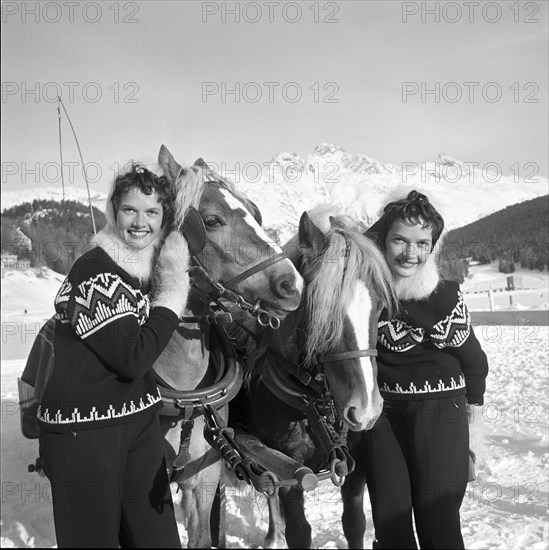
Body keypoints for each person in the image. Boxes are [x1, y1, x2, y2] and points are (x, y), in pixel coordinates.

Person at [37, 164, 192, 548]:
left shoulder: (137, 271)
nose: (141, 223)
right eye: (130, 210)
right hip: (83, 432)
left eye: (152, 212)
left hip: (138, 420)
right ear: (113, 210)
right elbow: (134, 358)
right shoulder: (95, 272)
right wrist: (172, 294)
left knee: (158, 540)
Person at [361, 190, 488, 549]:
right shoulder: (366, 293)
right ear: (382, 240)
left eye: (422, 243)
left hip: (440, 413)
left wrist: (473, 422)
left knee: (437, 522)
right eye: (399, 240)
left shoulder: (443, 297)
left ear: (432, 247)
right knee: (390, 522)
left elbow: (475, 361)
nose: (410, 253)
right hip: (383, 416)